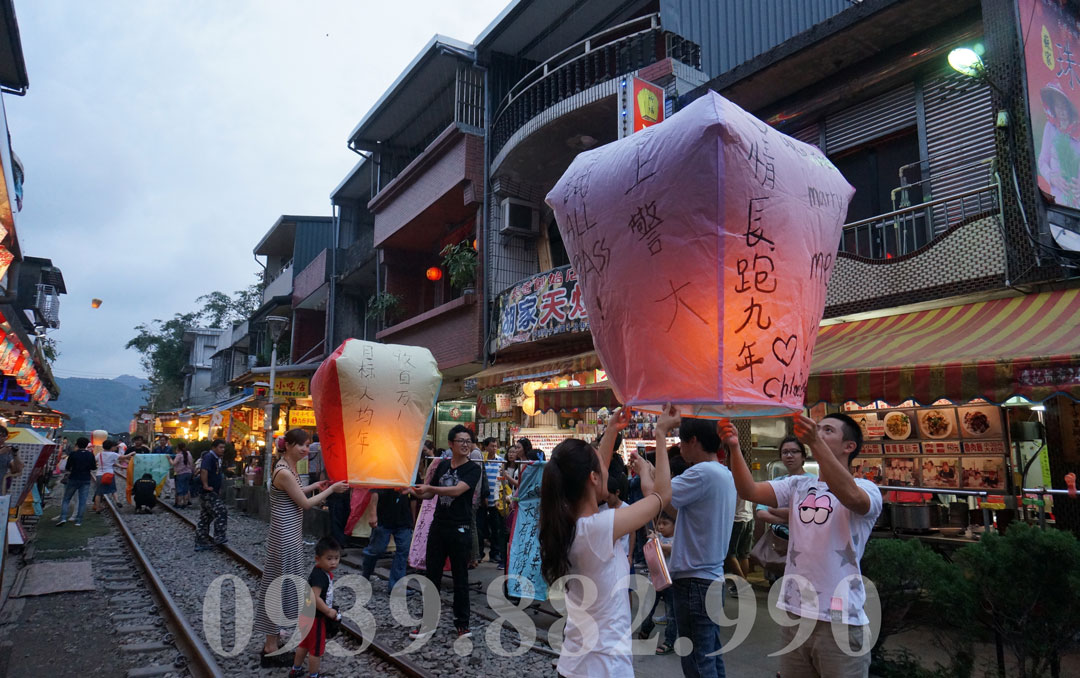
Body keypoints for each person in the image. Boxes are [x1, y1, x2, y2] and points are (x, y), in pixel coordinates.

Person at [727, 413, 883, 678]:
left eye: (828, 430)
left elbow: (852, 498)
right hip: (795, 614)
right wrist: (732, 447)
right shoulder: (799, 484)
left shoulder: (866, 488)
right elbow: (749, 491)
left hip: (841, 621)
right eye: (817, 429)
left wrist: (815, 443)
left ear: (849, 446)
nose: (819, 433)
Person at [538, 405, 669, 678]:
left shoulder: (568, 523)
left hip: (575, 664)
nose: (606, 467)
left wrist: (611, 431)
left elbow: (597, 472)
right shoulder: (598, 528)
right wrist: (661, 434)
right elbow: (662, 497)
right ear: (593, 478)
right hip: (604, 668)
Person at [254, 429, 348, 666]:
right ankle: (270, 647)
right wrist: (329, 490)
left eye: (307, 445)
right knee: (279, 589)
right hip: (284, 537)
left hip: (288, 536)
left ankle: (272, 643)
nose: (306, 450)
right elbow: (304, 504)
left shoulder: (287, 467)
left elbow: (295, 495)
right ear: (288, 445)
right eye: (301, 446)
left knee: (279, 588)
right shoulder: (284, 471)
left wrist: (315, 484)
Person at [666, 414, 737, 678]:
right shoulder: (722, 473)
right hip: (711, 577)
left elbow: (659, 495)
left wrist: (647, 471)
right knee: (710, 656)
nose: (680, 448)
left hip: (695, 580)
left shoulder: (701, 472)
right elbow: (682, 514)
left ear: (693, 441)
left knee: (697, 661)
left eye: (681, 442)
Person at [406, 424, 483, 639]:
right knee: (432, 576)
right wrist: (412, 490)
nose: (466, 444)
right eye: (461, 441)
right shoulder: (441, 466)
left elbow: (458, 490)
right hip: (439, 526)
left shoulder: (473, 469)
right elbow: (429, 496)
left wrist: (431, 489)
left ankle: (462, 623)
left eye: (469, 441)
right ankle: (428, 623)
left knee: (460, 577)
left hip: (461, 528)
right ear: (451, 444)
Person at [290, 536, 343, 678]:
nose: (333, 562)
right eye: (329, 558)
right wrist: (328, 611)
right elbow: (314, 597)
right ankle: (313, 675)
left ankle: (296, 669)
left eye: (336, 558)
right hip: (316, 618)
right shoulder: (320, 575)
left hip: (307, 615)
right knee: (316, 650)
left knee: (304, 643)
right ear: (317, 559)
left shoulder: (321, 572)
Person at [639, 510, 678, 655]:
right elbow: (649, 550)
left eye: (665, 524)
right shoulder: (655, 538)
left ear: (675, 525)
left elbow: (676, 550)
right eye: (659, 523)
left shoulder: (679, 540)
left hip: (672, 583)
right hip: (654, 581)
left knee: (671, 613)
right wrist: (657, 544)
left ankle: (670, 641)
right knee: (647, 609)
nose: (661, 527)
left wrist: (662, 546)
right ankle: (646, 627)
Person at [361, 487, 415, 594]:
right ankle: (365, 574)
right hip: (383, 517)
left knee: (402, 553)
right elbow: (375, 491)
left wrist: (413, 519)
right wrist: (373, 513)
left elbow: (414, 497)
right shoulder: (385, 471)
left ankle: (396, 587)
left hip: (404, 519)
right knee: (376, 550)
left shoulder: (411, 473)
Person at [195, 439, 230, 552]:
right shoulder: (209, 457)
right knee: (221, 511)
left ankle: (201, 541)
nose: (223, 450)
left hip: (212, 490)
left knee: (205, 517)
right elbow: (204, 470)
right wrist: (205, 485)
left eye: (224, 448)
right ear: (214, 447)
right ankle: (219, 536)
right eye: (220, 447)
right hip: (208, 492)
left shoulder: (216, 458)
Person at [477, 437, 505, 566]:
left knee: (496, 529)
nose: (494, 448)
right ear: (485, 447)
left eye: (496, 446)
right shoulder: (481, 460)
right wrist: (483, 497)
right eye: (492, 446)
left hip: (496, 500)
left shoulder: (500, 461)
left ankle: (495, 553)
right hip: (482, 500)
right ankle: (479, 553)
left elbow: (501, 480)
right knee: (480, 528)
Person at [56, 437, 95, 526]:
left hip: (73, 478)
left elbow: (68, 467)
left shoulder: (73, 454)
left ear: (77, 444)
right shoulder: (90, 455)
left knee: (66, 499)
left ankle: (63, 518)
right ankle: (78, 521)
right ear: (86, 445)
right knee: (82, 500)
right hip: (85, 479)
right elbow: (93, 467)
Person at [93, 440, 135, 512]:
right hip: (109, 474)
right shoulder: (113, 454)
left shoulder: (99, 454)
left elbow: (95, 462)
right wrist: (132, 453)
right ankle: (117, 501)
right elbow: (123, 457)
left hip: (99, 474)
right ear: (111, 447)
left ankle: (97, 508)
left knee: (98, 492)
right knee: (113, 489)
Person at [170, 441, 195, 508]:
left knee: (180, 488)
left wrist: (169, 459)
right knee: (186, 488)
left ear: (178, 448)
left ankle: (179, 503)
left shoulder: (179, 455)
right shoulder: (188, 453)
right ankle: (185, 503)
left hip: (180, 473)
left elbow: (174, 463)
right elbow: (192, 463)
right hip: (188, 473)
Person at [0, 426, 23, 496]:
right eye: (0, 435)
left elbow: (16, 470)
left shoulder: (6, 451)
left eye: (4, 436)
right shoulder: (2, 451)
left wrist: (15, 455)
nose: (1, 438)